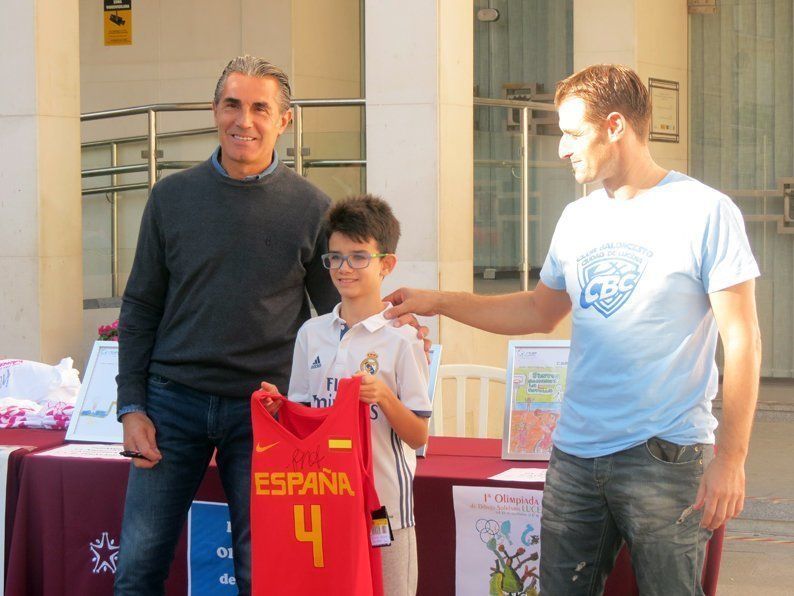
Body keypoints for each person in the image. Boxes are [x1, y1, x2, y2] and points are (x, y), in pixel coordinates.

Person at [384, 64, 762, 595]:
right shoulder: (577, 218)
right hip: (574, 454)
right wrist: (439, 302)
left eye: (571, 132)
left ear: (614, 126)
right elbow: (539, 312)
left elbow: (741, 341)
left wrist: (732, 459)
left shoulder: (705, 212)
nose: (561, 149)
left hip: (665, 454)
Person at [113, 55, 339, 595]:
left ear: (284, 120)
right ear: (215, 110)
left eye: (261, 108)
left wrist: (391, 332)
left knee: (262, 575)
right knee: (137, 571)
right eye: (232, 104)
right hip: (171, 405)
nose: (245, 120)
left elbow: (335, 320)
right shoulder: (171, 197)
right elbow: (141, 306)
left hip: (265, 411)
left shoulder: (314, 209)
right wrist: (132, 406)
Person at [260, 194, 432, 596]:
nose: (343, 268)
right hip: (325, 502)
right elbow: (303, 421)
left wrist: (384, 398)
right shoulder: (311, 334)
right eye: (334, 258)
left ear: (386, 264)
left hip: (384, 508)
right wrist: (278, 410)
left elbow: (419, 436)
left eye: (358, 257)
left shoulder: (403, 339)